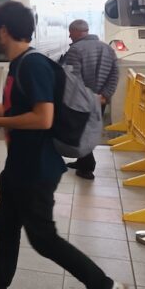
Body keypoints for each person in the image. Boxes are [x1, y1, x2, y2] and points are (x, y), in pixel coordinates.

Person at [0, 1, 128, 289]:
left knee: (43, 238)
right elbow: (16, 107)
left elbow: (42, 118)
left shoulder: (33, 65)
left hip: (36, 169)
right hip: (20, 164)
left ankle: (105, 288)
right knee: (5, 227)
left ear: (5, 31)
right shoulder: (19, 65)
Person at [62, 19, 119, 180]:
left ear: (76, 31)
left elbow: (75, 79)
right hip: (100, 100)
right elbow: (115, 74)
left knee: (82, 130)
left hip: (82, 100)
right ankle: (81, 162)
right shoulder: (107, 48)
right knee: (90, 128)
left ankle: (87, 166)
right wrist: (105, 96)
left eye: (70, 32)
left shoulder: (76, 49)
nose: (69, 36)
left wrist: (85, 97)